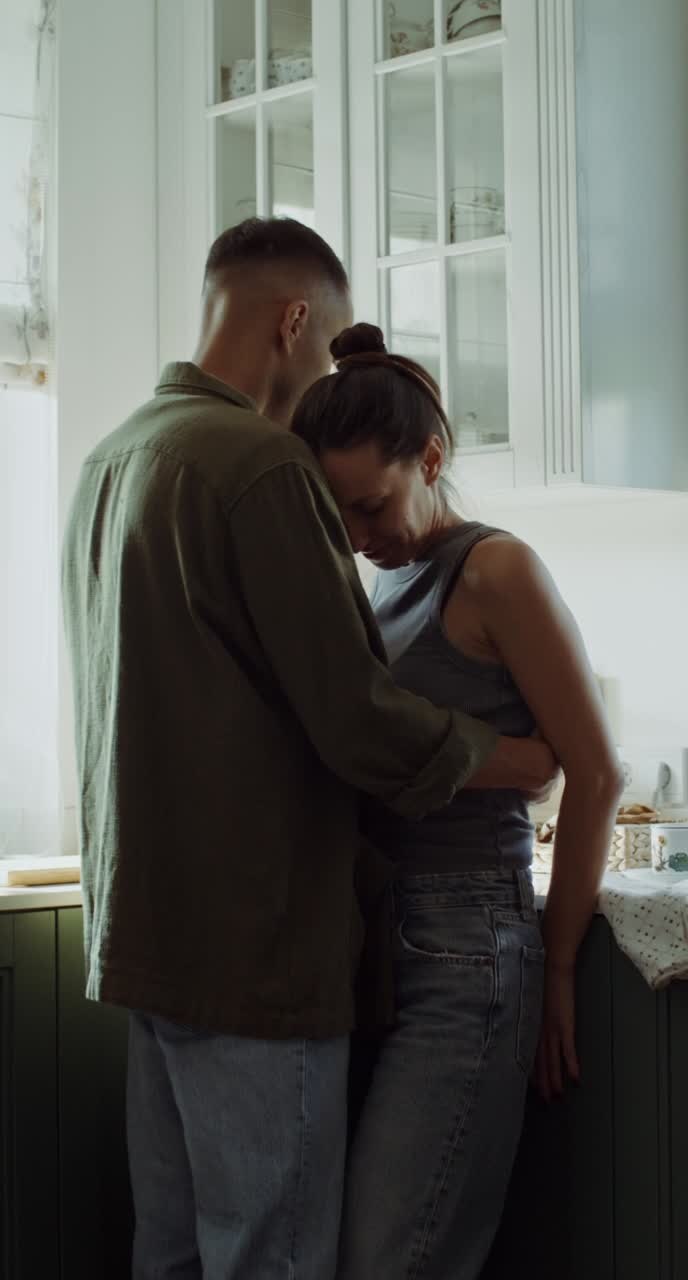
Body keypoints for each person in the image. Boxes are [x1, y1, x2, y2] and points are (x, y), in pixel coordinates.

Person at [61, 220, 556, 1280]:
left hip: (146, 941)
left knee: (178, 1255)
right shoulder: (257, 464)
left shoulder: (114, 458)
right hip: (255, 952)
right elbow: (358, 716)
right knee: (272, 1258)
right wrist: (509, 754)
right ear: (294, 321)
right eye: (325, 345)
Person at [292, 321, 624, 1280]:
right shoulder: (382, 587)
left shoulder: (495, 570)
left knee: (395, 1257)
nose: (360, 537)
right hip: (381, 941)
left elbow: (593, 771)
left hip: (470, 942)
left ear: (431, 457)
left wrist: (557, 969)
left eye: (372, 505)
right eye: (339, 517)